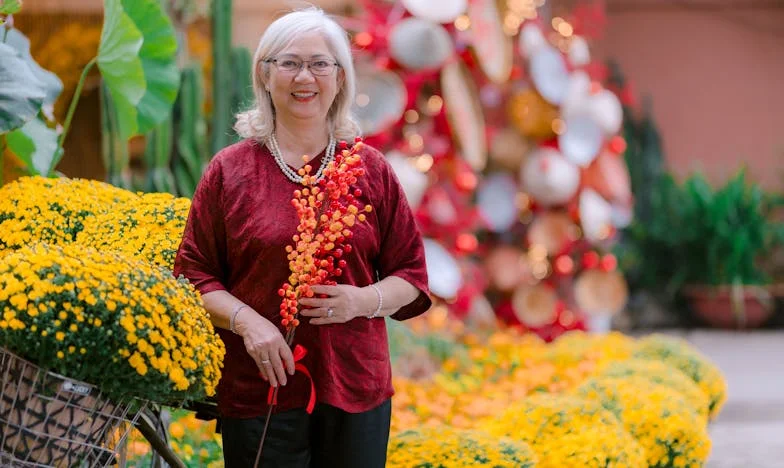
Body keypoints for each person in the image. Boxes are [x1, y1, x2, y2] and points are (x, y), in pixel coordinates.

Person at [173, 7, 431, 468]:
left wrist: (361, 301)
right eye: (289, 62)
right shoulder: (230, 171)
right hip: (259, 389)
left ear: (340, 78)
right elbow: (194, 273)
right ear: (265, 75)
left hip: (354, 385)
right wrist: (249, 324)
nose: (304, 76)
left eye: (319, 63)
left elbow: (410, 275)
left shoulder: (369, 169)